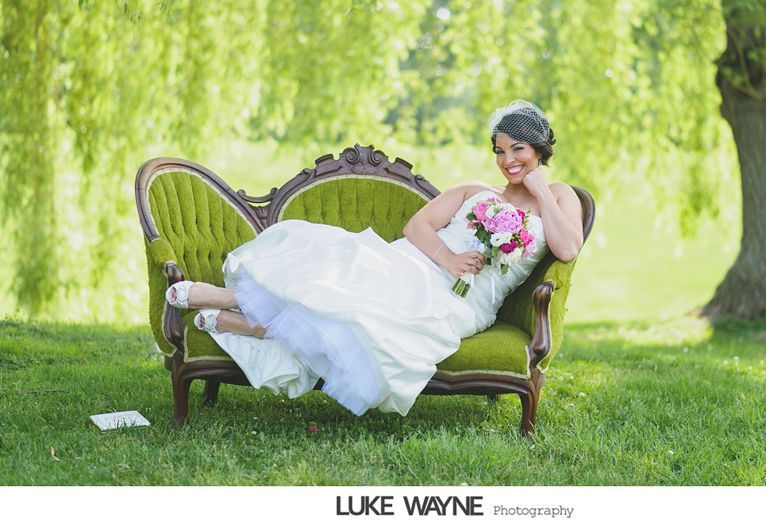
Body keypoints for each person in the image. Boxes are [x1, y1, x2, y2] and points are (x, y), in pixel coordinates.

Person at [165, 100, 584, 416]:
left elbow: (567, 248)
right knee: (346, 273)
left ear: (540, 149)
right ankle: (228, 300)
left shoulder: (561, 196)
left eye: (518, 150)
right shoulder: (476, 191)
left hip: (464, 302)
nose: (507, 161)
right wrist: (450, 258)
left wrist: (541, 190)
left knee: (376, 323)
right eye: (499, 151)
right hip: (415, 264)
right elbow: (415, 228)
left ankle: (252, 322)